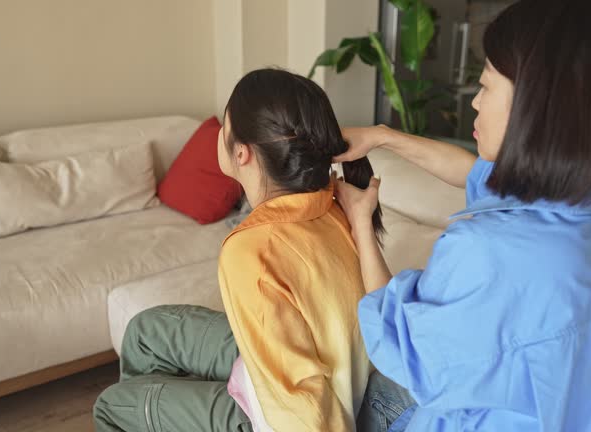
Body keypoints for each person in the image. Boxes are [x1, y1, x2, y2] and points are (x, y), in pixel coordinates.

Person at [334, 0, 591, 430]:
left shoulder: (491, 253)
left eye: (486, 85)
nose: (474, 102)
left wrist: (361, 221)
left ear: (539, 107)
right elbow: (474, 173)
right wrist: (381, 137)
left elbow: (401, 346)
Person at [93, 68, 382, 431]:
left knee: (111, 406)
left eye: (223, 125)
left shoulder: (251, 249)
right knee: (145, 331)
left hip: (279, 416)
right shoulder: (330, 200)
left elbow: (302, 407)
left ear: (242, 153)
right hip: (295, 364)